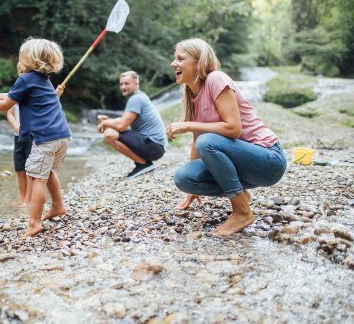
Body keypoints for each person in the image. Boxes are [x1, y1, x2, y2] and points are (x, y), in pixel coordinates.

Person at [167, 38, 287, 236]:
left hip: (269, 160)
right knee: (184, 177)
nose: (174, 64)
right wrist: (193, 188)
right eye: (174, 59)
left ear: (199, 63)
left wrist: (187, 125)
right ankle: (241, 194)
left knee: (209, 141)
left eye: (180, 59)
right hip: (244, 165)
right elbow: (198, 140)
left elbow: (233, 129)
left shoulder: (216, 79)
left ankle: (242, 212)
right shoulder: (191, 94)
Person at [0, 38, 71, 237]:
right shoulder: (43, 80)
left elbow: (6, 104)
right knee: (48, 172)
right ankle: (58, 206)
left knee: (36, 177)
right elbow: (11, 95)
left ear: (30, 59)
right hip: (62, 135)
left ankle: (34, 223)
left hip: (45, 138)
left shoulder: (25, 79)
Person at [97, 70, 168, 178]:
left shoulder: (136, 99)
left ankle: (143, 164)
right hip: (154, 146)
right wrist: (108, 121)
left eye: (126, 83)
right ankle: (142, 163)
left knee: (109, 134)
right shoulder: (139, 97)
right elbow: (123, 120)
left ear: (136, 84)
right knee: (110, 130)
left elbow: (122, 126)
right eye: (121, 84)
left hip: (154, 146)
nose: (123, 87)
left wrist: (106, 123)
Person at [7, 104, 32, 206]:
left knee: (30, 170)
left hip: (33, 135)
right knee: (19, 169)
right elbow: (10, 113)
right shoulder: (16, 95)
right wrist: (17, 128)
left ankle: (28, 200)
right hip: (18, 136)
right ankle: (22, 199)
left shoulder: (33, 92)